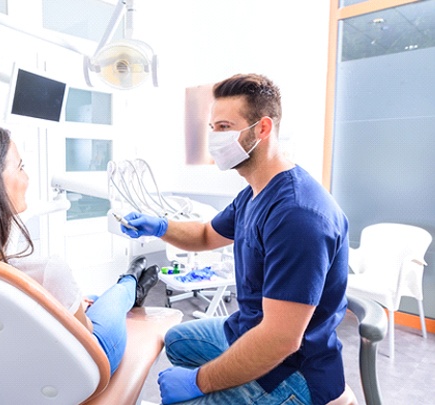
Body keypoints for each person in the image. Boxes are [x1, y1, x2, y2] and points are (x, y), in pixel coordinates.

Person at [120, 73, 349, 404]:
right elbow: (204, 234)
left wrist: (199, 382)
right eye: (213, 128)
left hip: (290, 371)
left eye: (224, 127)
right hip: (248, 328)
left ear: (263, 129)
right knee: (174, 341)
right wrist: (158, 227)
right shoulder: (254, 193)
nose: (214, 138)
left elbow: (280, 341)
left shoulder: (298, 216)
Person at [0, 123, 159, 375]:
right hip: (77, 374)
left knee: (92, 299)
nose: (28, 177)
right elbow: (85, 338)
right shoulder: (47, 273)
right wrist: (77, 309)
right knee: (114, 299)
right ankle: (131, 284)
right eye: (20, 167)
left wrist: (71, 302)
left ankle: (121, 288)